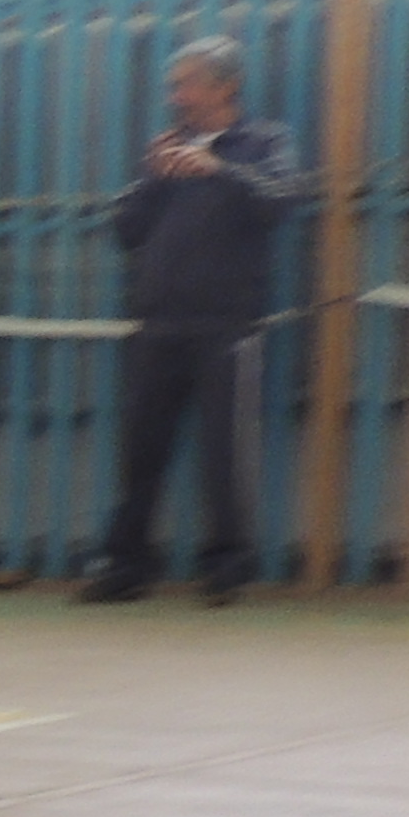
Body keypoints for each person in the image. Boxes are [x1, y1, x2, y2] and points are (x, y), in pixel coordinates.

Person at [87, 35, 304, 608]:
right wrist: (154, 178)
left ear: (225, 86)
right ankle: (125, 566)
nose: (176, 96)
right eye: (174, 86)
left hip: (226, 324)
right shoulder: (166, 151)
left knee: (224, 450)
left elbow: (280, 201)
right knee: (140, 449)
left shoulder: (264, 142)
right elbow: (125, 231)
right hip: (157, 323)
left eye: (186, 84)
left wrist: (218, 169)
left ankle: (227, 569)